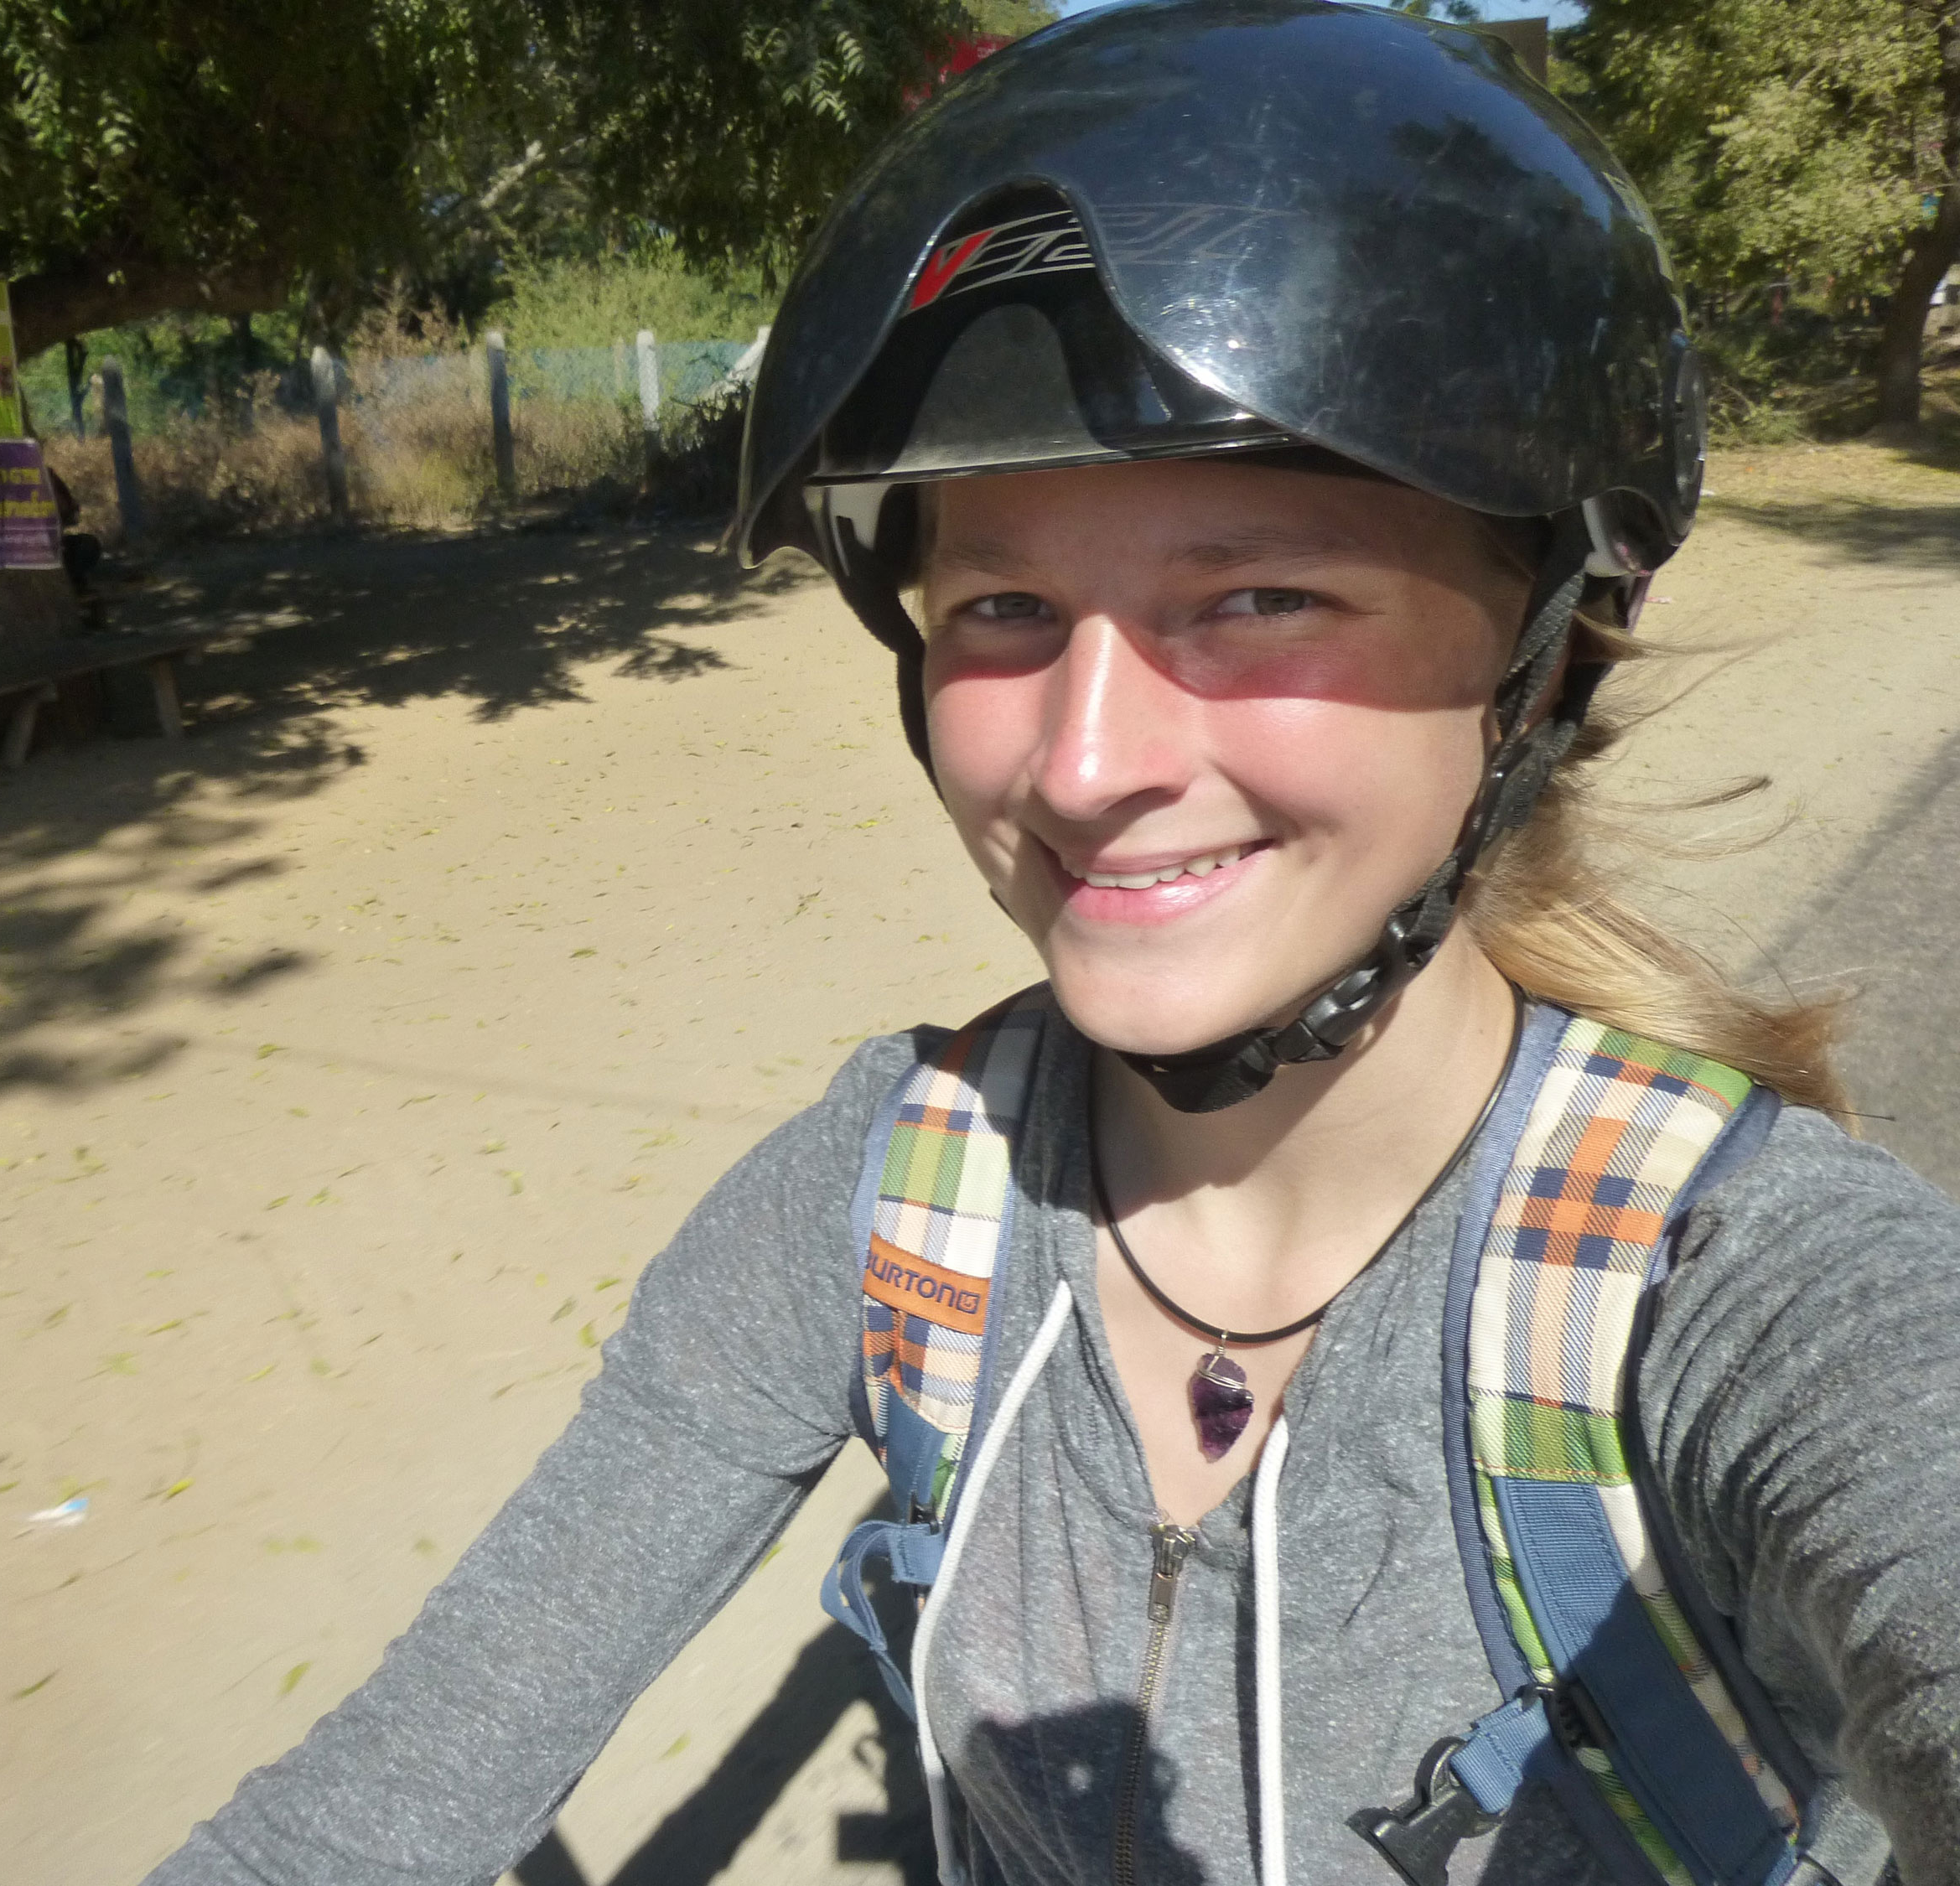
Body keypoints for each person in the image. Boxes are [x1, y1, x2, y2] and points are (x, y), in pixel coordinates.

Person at [143, 4, 1960, 1881]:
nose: (1083, 768)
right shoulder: (897, 1206)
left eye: (1262, 596)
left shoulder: (1751, 1296)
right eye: (1002, 606)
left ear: (1544, 657)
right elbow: (386, 1793)